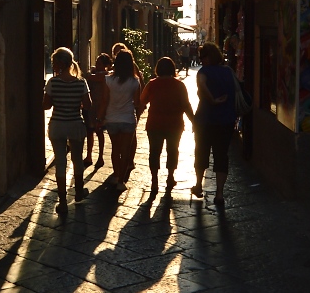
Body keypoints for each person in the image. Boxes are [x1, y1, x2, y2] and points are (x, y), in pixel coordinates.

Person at [191, 41, 241, 206]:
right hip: (226, 120)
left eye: (203, 56)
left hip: (205, 120)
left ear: (209, 57)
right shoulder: (228, 72)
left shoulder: (204, 72)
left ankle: (198, 185)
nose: (201, 60)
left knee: (201, 152)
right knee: (221, 155)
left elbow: (202, 85)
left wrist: (212, 100)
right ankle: (219, 193)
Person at [43, 47, 92, 214]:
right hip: (75, 124)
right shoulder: (80, 82)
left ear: (59, 64)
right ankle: (78, 192)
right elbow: (89, 105)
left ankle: (62, 201)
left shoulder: (52, 82)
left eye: (53, 62)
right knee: (77, 160)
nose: (52, 65)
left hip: (57, 125)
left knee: (61, 162)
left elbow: (46, 105)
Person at [140, 57, 194, 196]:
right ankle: (170, 177)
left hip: (155, 123)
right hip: (174, 124)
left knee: (154, 152)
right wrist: (194, 121)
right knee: (172, 150)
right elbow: (186, 104)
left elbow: (142, 100)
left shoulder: (152, 84)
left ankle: (154, 181)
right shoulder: (179, 85)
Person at [97, 49, 141, 192]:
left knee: (115, 149)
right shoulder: (135, 81)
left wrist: (100, 117)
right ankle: (121, 181)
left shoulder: (109, 80)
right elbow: (137, 102)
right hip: (128, 119)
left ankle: (116, 175)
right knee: (125, 151)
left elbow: (104, 100)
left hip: (112, 119)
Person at [83, 53, 112, 167]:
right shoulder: (97, 74)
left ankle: (100, 156)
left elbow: (89, 77)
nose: (97, 65)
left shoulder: (105, 75)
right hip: (92, 105)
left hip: (99, 106)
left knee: (99, 131)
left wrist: (90, 73)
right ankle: (89, 155)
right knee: (90, 132)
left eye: (99, 63)